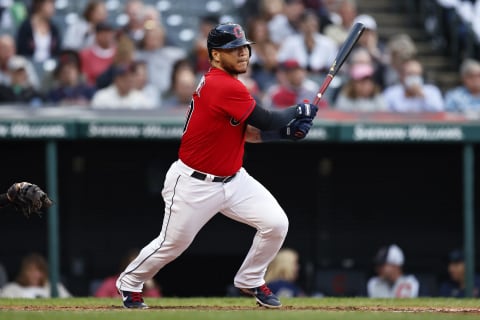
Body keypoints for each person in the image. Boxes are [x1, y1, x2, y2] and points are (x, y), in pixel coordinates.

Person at [115, 22, 317, 309]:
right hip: (194, 183)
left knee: (275, 224)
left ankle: (250, 278)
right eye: (233, 49)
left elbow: (247, 133)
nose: (243, 53)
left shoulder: (229, 86)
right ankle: (129, 282)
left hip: (234, 180)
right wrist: (299, 110)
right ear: (215, 55)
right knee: (171, 245)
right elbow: (267, 119)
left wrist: (287, 134)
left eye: (244, 48)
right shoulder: (220, 84)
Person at [136, 25, 187, 95]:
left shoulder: (174, 55)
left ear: (162, 38)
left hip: (169, 93)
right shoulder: (138, 56)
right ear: (145, 39)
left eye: (156, 37)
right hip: (145, 94)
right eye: (150, 37)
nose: (153, 40)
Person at [0, 253, 71, 298]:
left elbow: (70, 303)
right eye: (31, 270)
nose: (35, 275)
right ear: (24, 272)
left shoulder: (54, 288)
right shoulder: (12, 289)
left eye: (39, 271)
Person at [95, 249, 161, 298]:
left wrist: (151, 288)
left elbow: (156, 304)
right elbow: (99, 300)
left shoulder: (145, 285)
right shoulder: (111, 283)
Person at [79, 21, 117, 86]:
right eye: (102, 33)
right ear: (96, 35)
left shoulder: (120, 53)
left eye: (109, 33)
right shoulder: (85, 55)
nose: (106, 36)